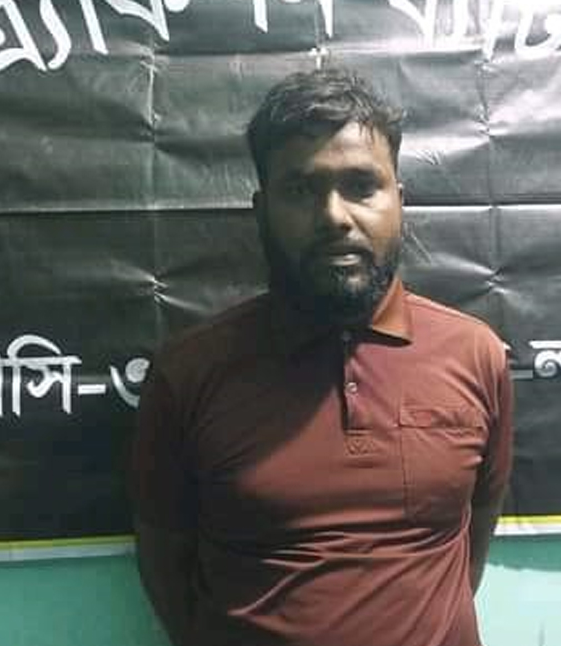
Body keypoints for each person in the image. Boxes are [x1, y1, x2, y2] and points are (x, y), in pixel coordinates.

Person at [129, 68, 514, 646]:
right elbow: (165, 563)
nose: (334, 216)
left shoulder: (475, 354)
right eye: (301, 190)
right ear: (262, 211)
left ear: (399, 201)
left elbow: (471, 540)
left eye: (361, 185)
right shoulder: (189, 372)